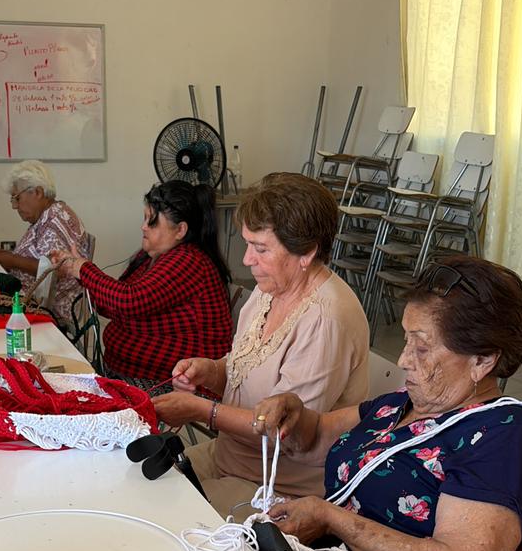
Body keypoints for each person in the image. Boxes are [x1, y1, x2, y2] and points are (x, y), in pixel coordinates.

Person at [251, 254, 522, 551]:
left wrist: (334, 518)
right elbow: (314, 437)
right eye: (405, 338)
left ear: (483, 359)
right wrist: (294, 411)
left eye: (421, 346)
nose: (402, 359)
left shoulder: (500, 434)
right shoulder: (401, 404)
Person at [153, 174, 369, 516]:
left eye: (261, 249)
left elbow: (288, 430)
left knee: (163, 514)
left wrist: (200, 410)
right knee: (136, 483)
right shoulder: (270, 289)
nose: (246, 260)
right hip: (230, 457)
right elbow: (247, 370)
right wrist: (211, 371)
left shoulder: (327, 318)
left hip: (277, 486)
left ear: (306, 252)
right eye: (248, 245)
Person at [51, 181, 233, 388]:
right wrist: (77, 271)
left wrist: (83, 269)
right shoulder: (151, 257)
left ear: (180, 230)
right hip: (133, 376)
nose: (143, 226)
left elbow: (129, 301)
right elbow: (110, 306)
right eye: (145, 218)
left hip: (164, 384)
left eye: (152, 221)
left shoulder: (188, 260)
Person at [0, 161, 90, 325]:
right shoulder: (47, 215)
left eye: (17, 198)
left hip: (49, 309)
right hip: (28, 298)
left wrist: (12, 261)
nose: (15, 206)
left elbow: (54, 270)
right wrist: (7, 257)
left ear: (38, 192)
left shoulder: (55, 221)